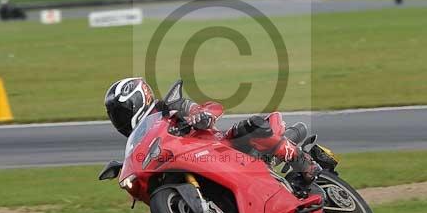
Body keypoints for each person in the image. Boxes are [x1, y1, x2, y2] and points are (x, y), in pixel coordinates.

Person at [104, 77, 321, 193]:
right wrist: (124, 166)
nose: (120, 119)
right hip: (187, 165)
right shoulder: (141, 139)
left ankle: (305, 163)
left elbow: (213, 106)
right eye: (116, 116)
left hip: (221, 147)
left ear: (139, 98)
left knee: (254, 126)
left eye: (121, 112)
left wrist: (202, 115)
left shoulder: (169, 107)